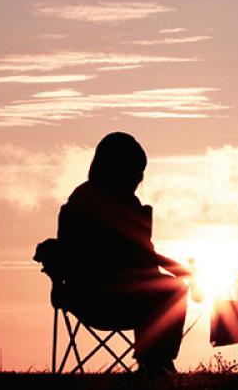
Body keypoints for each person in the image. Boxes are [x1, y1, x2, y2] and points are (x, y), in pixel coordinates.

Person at [44, 132, 189, 375]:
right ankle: (155, 363)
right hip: (101, 297)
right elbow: (134, 254)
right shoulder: (96, 203)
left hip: (84, 296)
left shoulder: (85, 199)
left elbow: (142, 255)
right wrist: (177, 269)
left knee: (166, 289)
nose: (138, 179)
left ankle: (155, 362)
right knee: (173, 290)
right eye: (135, 171)